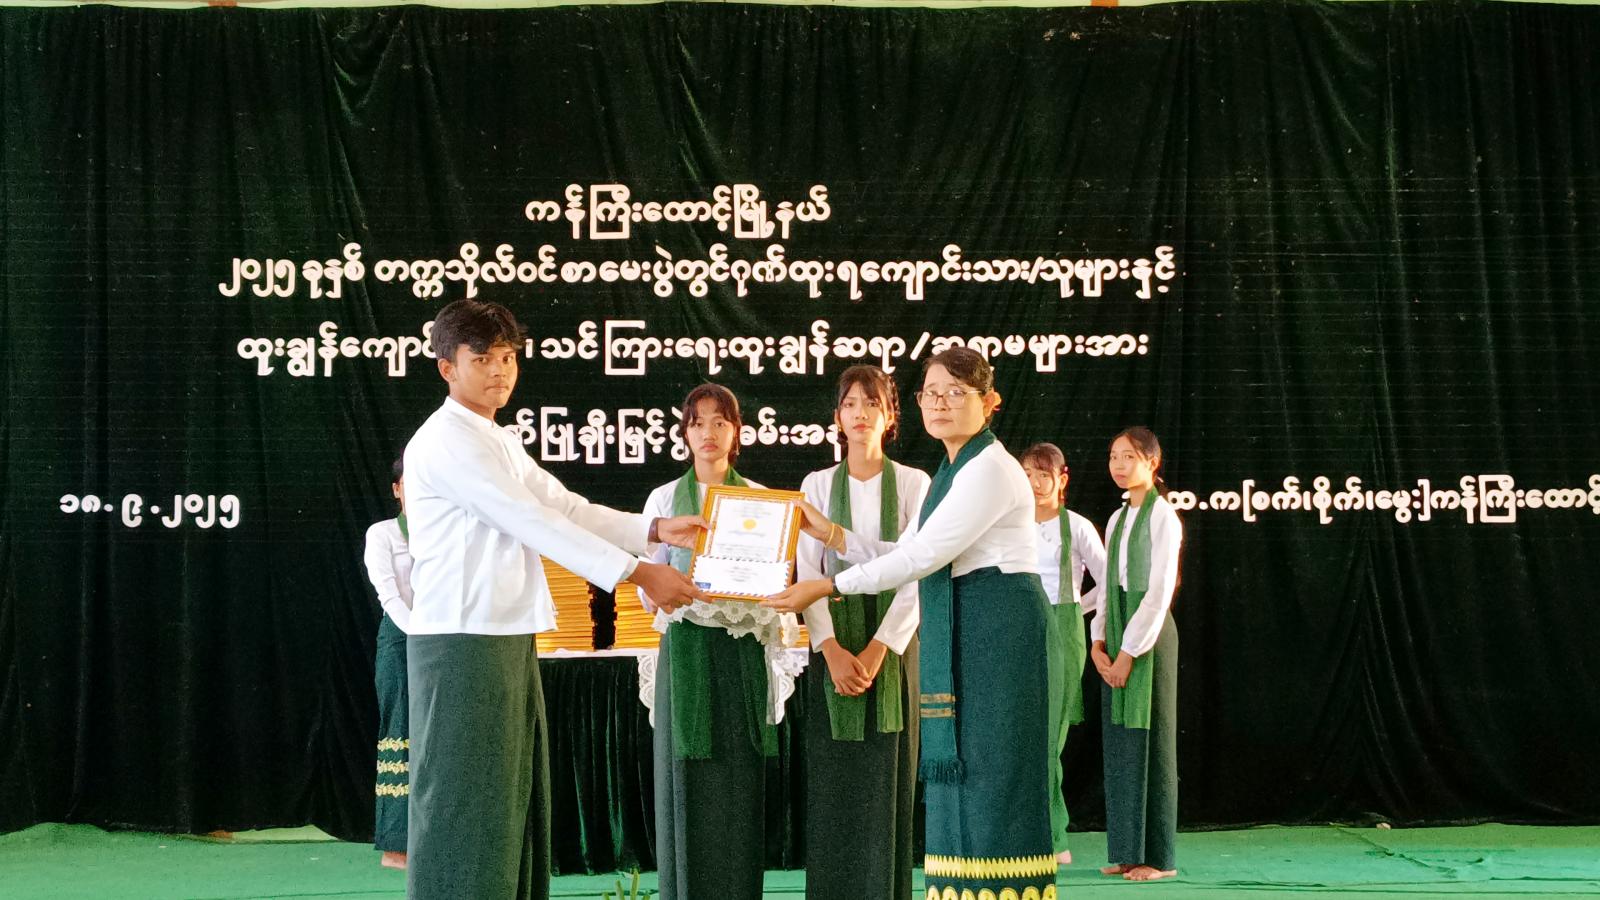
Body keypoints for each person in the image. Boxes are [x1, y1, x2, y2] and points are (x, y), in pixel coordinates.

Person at [401, 298, 705, 900]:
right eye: (482, 359)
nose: (499, 370)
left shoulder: (495, 437)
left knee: (508, 803)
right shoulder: (446, 441)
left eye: (507, 357)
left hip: (504, 635)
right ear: (446, 367)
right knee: (468, 806)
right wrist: (639, 573)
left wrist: (651, 528)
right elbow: (529, 520)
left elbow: (562, 505)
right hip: (462, 641)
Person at [768, 347, 1058, 900]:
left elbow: (921, 559)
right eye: (932, 393)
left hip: (998, 628)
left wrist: (827, 585)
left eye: (956, 393)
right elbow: (905, 550)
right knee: (966, 774)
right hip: (970, 622)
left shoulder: (988, 469)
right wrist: (831, 535)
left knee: (994, 776)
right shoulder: (955, 468)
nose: (941, 403)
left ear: (989, 402)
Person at [638, 383, 799, 900]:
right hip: (686, 647)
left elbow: (779, 578)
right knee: (686, 773)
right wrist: (669, 591)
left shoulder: (759, 498)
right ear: (684, 434)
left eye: (720, 422)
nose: (708, 433)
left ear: (737, 432)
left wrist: (758, 586)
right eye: (697, 423)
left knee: (739, 774)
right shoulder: (664, 500)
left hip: (741, 648)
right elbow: (646, 584)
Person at [795, 366, 929, 900]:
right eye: (850, 404)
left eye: (872, 404)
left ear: (890, 416)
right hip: (833, 643)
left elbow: (918, 571)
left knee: (886, 777)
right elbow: (807, 571)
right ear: (837, 417)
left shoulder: (916, 484)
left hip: (892, 645)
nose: (860, 414)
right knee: (835, 783)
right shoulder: (816, 485)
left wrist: (878, 649)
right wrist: (829, 648)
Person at [1090, 426, 1182, 883]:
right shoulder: (1117, 519)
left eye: (1129, 456)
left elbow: (1159, 590)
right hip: (1119, 633)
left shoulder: (1164, 517)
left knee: (1153, 741)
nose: (1119, 465)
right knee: (1122, 740)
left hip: (1149, 637)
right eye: (1114, 457)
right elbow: (1108, 585)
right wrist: (1098, 641)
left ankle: (1159, 858)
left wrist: (1128, 652)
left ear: (1152, 461)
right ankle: (1127, 851)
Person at [1020, 442, 1107, 866]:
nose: (1036, 484)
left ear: (1061, 479)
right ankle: (1028, 831)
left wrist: (1078, 607)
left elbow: (1109, 580)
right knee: (1024, 735)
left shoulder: (1077, 526)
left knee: (1051, 738)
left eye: (1043, 475)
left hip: (1064, 627)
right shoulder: (1009, 522)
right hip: (1020, 626)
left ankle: (1054, 837)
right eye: (1028, 475)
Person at [362, 457, 414, 870]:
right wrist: (419, 632)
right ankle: (397, 846)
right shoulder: (382, 533)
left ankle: (434, 838)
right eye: (408, 483)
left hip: (441, 639)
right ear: (396, 489)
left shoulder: (445, 531)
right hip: (401, 637)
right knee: (401, 731)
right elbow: (388, 593)